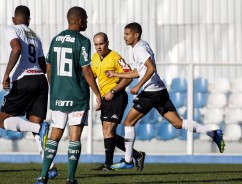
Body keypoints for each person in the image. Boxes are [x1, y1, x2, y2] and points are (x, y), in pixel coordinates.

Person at [106, 22, 225, 170]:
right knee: (177, 123)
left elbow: (151, 68)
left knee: (128, 123)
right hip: (159, 90)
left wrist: (138, 85)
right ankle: (214, 134)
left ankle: (129, 160)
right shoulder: (141, 46)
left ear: (136, 35)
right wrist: (115, 74)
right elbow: (140, 71)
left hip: (151, 93)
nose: (124, 37)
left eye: (127, 34)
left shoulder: (139, 49)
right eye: (124, 33)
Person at [35, 6, 102, 184]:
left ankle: (43, 176)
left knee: (55, 135)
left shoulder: (56, 39)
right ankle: (71, 178)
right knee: (74, 136)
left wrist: (55, 85)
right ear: (79, 20)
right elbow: (86, 69)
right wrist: (97, 93)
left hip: (58, 95)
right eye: (85, 19)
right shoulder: (83, 40)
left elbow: (48, 67)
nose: (87, 22)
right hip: (77, 96)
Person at [0, 5, 58, 178]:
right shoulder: (35, 36)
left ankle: (39, 128)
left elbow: (16, 48)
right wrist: (49, 85)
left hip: (23, 79)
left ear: (13, 19)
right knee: (35, 127)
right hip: (40, 80)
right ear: (28, 20)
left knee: (3, 121)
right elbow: (43, 64)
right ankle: (51, 166)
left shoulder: (11, 29)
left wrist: (6, 74)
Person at [91, 32, 145, 172]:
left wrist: (113, 91)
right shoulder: (95, 58)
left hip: (117, 97)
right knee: (109, 133)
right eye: (96, 44)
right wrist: (98, 96)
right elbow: (93, 76)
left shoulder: (116, 58)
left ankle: (107, 165)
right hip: (105, 98)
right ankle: (137, 155)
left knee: (108, 131)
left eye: (101, 44)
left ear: (107, 43)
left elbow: (128, 77)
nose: (98, 47)